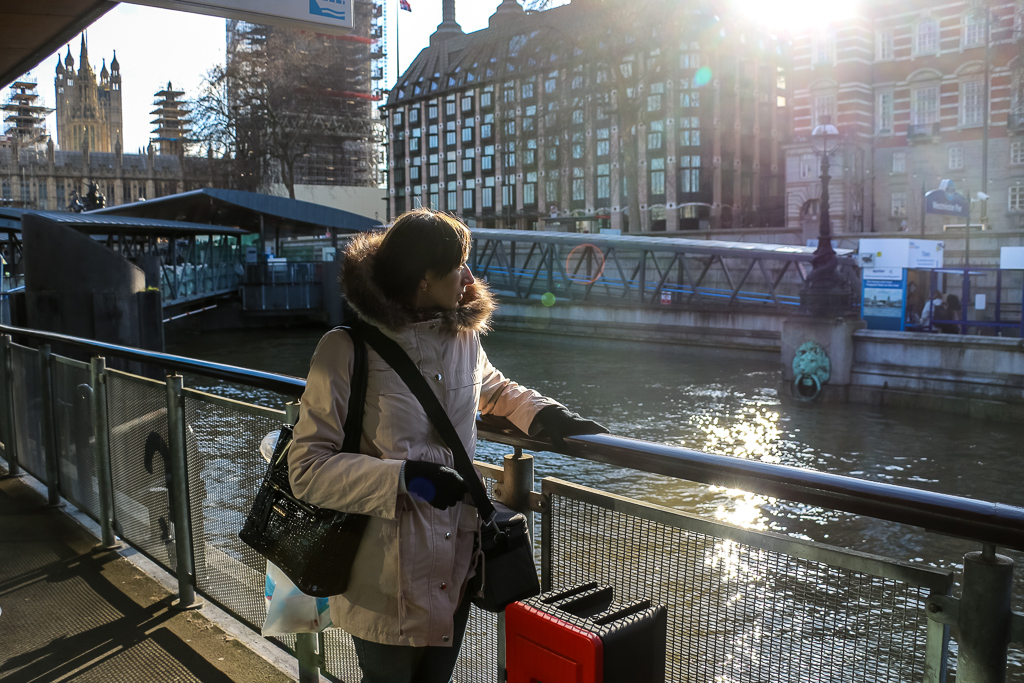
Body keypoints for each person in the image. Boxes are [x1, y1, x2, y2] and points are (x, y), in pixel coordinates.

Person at [287, 208, 606, 683]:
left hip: (454, 565)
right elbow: (306, 468)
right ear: (423, 280)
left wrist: (546, 415)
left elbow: (492, 388)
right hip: (382, 578)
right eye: (460, 266)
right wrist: (403, 478)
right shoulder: (346, 349)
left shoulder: (463, 339)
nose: (470, 277)